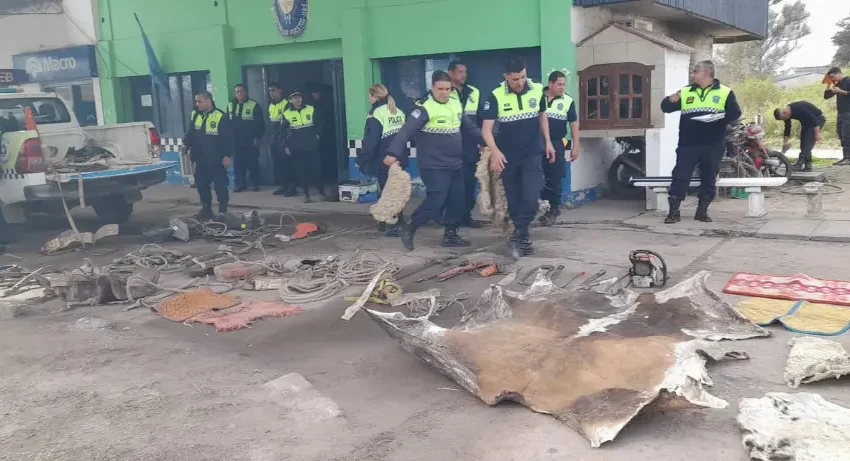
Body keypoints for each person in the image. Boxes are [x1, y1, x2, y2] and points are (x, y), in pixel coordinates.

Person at [389, 70, 483, 250]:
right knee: (437, 199)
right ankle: (410, 227)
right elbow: (405, 132)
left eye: (447, 89)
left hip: (455, 163)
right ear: (432, 88)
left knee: (458, 199)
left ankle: (451, 235)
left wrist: (489, 142)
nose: (444, 92)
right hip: (433, 165)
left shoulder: (455, 104)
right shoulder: (424, 108)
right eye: (440, 89)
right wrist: (393, 153)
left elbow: (470, 128)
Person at [481, 57, 556, 257]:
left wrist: (548, 141)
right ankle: (521, 236)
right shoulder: (496, 95)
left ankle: (519, 234)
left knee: (531, 198)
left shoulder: (537, 89)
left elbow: (542, 115)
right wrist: (495, 152)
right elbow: (486, 129)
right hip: (508, 157)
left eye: (523, 77)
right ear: (505, 76)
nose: (520, 82)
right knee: (514, 200)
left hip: (532, 153)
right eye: (515, 79)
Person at [661, 60, 742, 224]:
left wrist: (718, 119)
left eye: (695, 71)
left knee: (709, 178)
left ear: (706, 73)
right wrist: (670, 101)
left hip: (713, 144)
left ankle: (702, 211)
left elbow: (735, 113)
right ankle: (673, 213)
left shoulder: (725, 92)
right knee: (680, 176)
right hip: (687, 144)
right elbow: (665, 108)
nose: (692, 75)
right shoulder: (685, 91)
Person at [360, 83, 406, 236]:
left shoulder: (375, 114)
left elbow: (371, 142)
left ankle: (391, 224)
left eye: (369, 96)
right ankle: (398, 221)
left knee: (387, 191)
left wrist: (362, 159)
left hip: (384, 159)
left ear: (373, 97)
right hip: (400, 157)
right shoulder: (397, 111)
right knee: (396, 190)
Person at [184, 91, 233, 220]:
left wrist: (227, 155)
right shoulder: (195, 115)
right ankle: (206, 210)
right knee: (201, 185)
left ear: (208, 101)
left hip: (216, 159)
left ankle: (223, 211)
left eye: (199, 101)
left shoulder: (220, 116)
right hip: (200, 158)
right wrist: (186, 145)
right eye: (196, 101)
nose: (197, 104)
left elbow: (228, 138)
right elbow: (191, 133)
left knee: (220, 186)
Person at [539, 70, 580, 226]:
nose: (562, 87)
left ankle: (554, 209)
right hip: (537, 143)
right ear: (550, 84)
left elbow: (574, 124)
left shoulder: (568, 101)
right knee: (538, 175)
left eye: (564, 84)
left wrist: (576, 146)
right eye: (559, 84)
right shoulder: (538, 98)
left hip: (557, 143)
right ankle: (542, 205)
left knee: (555, 176)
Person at [447, 60, 484, 228]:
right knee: (453, 187)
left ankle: (466, 217)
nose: (464, 75)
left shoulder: (474, 92)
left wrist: (484, 142)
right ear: (451, 73)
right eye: (460, 71)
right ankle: (450, 220)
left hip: (470, 147)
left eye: (465, 72)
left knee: (469, 184)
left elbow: (481, 118)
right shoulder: (444, 92)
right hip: (451, 147)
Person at [281, 89, 326, 203]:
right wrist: (286, 146)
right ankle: (306, 195)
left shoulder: (310, 109)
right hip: (297, 147)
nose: (298, 100)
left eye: (299, 97)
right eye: (295, 98)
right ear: (290, 100)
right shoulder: (287, 113)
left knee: (316, 170)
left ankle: (322, 192)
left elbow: (320, 124)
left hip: (311, 145)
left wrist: (317, 135)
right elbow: (282, 132)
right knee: (301, 171)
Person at [227, 84, 265, 192]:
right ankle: (240, 184)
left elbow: (260, 124)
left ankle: (255, 184)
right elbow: (226, 122)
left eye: (241, 91)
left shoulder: (253, 105)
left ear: (246, 92)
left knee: (252, 162)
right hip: (235, 140)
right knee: (238, 163)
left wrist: (257, 137)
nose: (239, 94)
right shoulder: (231, 105)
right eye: (237, 92)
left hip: (249, 139)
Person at [773, 101, 826, 172]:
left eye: (784, 118)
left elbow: (813, 120)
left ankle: (799, 164)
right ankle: (808, 166)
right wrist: (785, 143)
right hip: (806, 123)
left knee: (807, 142)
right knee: (803, 143)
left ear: (785, 113)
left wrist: (817, 134)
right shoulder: (787, 113)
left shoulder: (798, 108)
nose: (785, 120)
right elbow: (787, 128)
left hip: (817, 119)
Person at [268, 83, 296, 196]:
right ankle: (283, 186)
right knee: (278, 164)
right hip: (274, 139)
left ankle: (292, 188)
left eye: (274, 90)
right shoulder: (271, 105)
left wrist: (285, 141)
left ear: (280, 90)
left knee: (287, 164)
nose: (271, 93)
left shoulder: (286, 104)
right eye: (270, 91)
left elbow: (286, 125)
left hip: (284, 139)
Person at [824, 67, 850, 166]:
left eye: (833, 77)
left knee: (847, 135)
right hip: (840, 114)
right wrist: (828, 84)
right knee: (841, 135)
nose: (833, 79)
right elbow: (826, 96)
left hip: (848, 112)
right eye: (831, 78)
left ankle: (848, 158)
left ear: (839, 73)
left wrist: (841, 92)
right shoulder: (837, 84)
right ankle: (845, 157)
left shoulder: (848, 81)